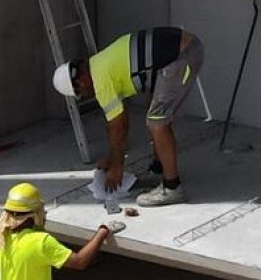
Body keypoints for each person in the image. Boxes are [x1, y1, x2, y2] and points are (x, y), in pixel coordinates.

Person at [55, 25, 204, 207]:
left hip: (182, 57)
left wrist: (117, 166)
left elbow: (118, 126)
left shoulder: (100, 81)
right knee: (154, 109)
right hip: (184, 49)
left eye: (80, 93)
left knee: (157, 122)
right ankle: (158, 169)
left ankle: (172, 188)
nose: (86, 95)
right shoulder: (100, 63)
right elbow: (119, 121)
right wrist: (112, 157)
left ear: (80, 81)